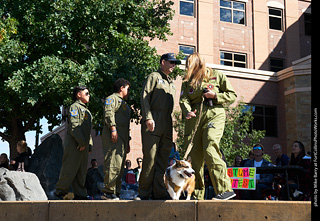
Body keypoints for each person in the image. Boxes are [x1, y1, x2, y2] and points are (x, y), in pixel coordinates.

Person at [179, 52, 237, 200]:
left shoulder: (216, 75)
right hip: (195, 119)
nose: (187, 68)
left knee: (210, 147)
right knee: (195, 159)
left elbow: (232, 95)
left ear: (198, 64)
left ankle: (225, 189)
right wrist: (187, 111)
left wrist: (215, 96)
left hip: (214, 114)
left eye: (189, 65)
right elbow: (183, 99)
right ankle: (196, 194)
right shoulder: (187, 82)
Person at [136, 53, 180, 200]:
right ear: (163, 62)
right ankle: (143, 192)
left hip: (167, 122)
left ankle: (158, 191)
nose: (173, 65)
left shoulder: (171, 82)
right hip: (154, 119)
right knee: (150, 158)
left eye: (175, 63)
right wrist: (148, 117)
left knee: (162, 159)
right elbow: (144, 97)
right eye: (171, 62)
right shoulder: (154, 76)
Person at [55, 85, 93, 200]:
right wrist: (81, 142)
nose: (89, 95)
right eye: (86, 93)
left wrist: (89, 145)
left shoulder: (87, 110)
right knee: (69, 168)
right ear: (78, 95)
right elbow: (75, 126)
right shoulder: (74, 107)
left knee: (81, 171)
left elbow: (87, 130)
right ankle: (60, 192)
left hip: (83, 145)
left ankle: (80, 194)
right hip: (74, 144)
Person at [101, 78, 131, 200]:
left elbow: (126, 125)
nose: (128, 92)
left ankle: (116, 191)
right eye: (127, 89)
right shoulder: (111, 99)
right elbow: (109, 113)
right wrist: (113, 129)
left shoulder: (124, 104)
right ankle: (108, 191)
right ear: (121, 88)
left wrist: (128, 141)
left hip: (123, 138)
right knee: (112, 162)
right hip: (114, 135)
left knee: (119, 164)